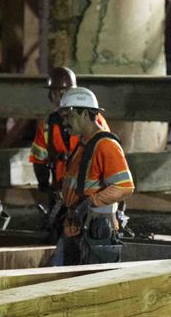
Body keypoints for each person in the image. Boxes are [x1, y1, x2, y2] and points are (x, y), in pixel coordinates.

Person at [53, 87, 134, 265]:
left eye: (69, 116)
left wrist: (89, 203)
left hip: (95, 231)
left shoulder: (106, 145)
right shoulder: (83, 144)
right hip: (75, 228)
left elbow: (124, 186)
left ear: (85, 114)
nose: (64, 122)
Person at [30, 67, 110, 236]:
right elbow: (39, 158)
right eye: (55, 94)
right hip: (60, 192)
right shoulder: (48, 125)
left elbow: (104, 155)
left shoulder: (92, 120)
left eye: (63, 93)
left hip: (88, 193)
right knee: (58, 232)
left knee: (89, 233)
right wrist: (45, 186)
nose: (59, 99)